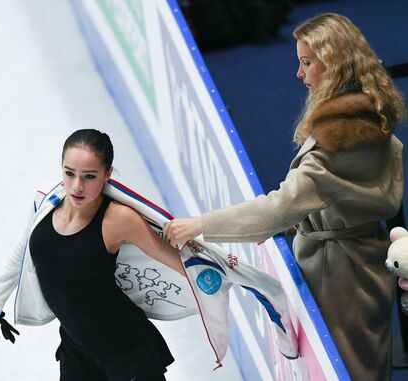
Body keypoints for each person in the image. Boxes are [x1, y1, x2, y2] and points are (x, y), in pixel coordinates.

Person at [163, 12, 406, 381]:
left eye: (307, 63)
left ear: (335, 65)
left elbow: (280, 206)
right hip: (356, 264)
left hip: (341, 279)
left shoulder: (338, 145)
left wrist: (201, 225)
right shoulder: (370, 115)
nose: (299, 73)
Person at [0, 129, 185, 380]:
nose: (77, 186)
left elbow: (179, 262)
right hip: (76, 351)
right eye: (69, 173)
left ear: (108, 175)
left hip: (128, 352)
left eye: (89, 176)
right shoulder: (45, 200)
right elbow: (23, 246)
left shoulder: (118, 219)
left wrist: (228, 273)